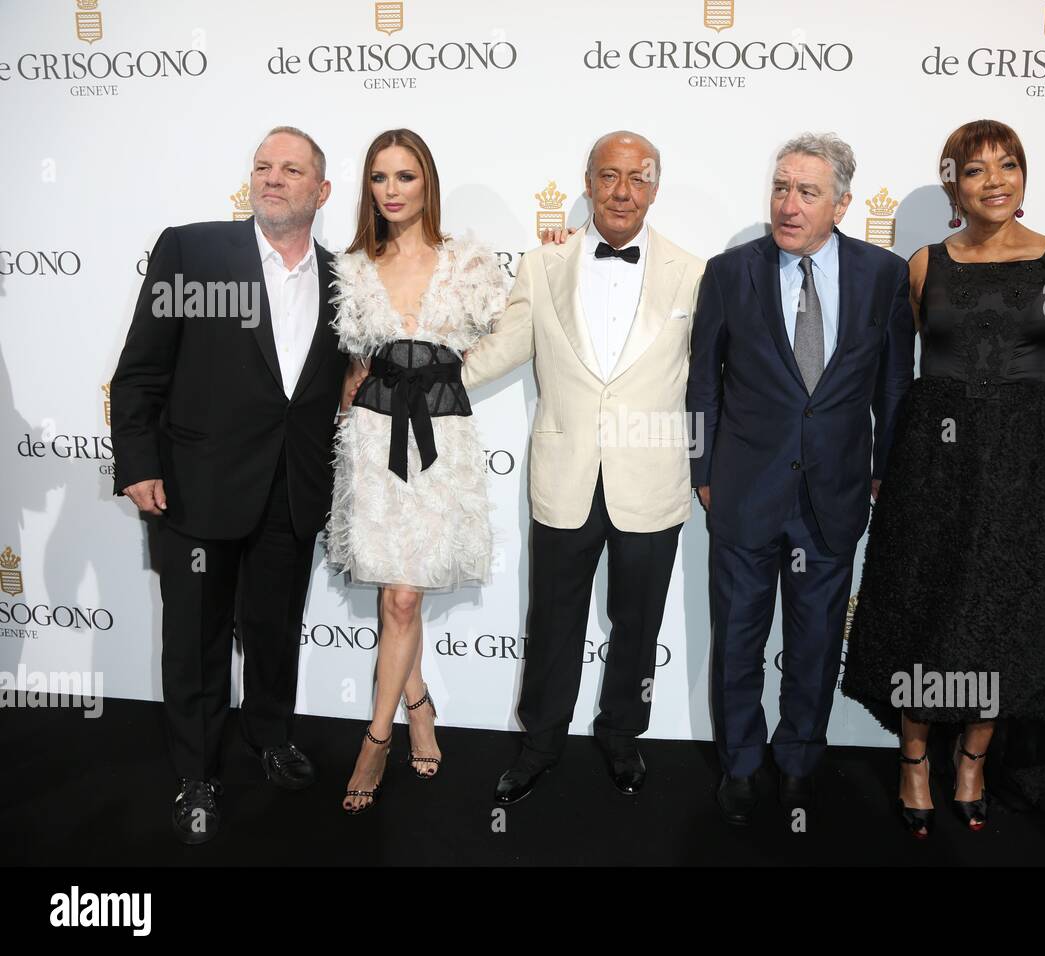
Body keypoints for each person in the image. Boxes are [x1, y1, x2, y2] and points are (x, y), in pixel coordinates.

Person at [841, 119, 1045, 838]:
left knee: (1005, 621)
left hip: (1029, 474)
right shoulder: (925, 265)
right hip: (933, 471)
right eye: (976, 168)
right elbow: (894, 381)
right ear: (954, 183)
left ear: (1024, 177)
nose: (995, 180)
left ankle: (974, 761)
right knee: (925, 612)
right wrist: (881, 468)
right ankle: (915, 759)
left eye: (1008, 165)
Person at [110, 126, 347, 844]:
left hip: (290, 489)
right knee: (198, 641)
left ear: (322, 191)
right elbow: (142, 368)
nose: (273, 178)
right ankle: (198, 776)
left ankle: (270, 736)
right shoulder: (195, 249)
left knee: (274, 631)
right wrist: (139, 462)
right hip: (195, 486)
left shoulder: (344, 281)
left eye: (292, 169)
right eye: (263, 166)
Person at [462, 130, 705, 805]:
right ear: (589, 182)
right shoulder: (543, 267)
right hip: (566, 478)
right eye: (609, 176)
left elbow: (713, 378)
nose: (623, 191)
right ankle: (540, 744)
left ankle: (622, 736)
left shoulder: (695, 271)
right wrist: (419, 377)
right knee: (554, 622)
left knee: (639, 623)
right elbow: (504, 348)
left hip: (652, 482)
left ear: (655, 187)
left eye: (638, 177)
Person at [687, 133, 915, 826]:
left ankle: (798, 763)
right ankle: (742, 763)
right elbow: (702, 386)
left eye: (807, 192)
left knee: (815, 646)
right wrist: (702, 471)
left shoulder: (884, 275)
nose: (788, 205)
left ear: (842, 203)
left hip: (833, 498)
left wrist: (885, 471)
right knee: (738, 642)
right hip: (743, 494)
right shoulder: (730, 273)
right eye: (781, 188)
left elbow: (894, 387)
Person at [326, 128, 507, 813]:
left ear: (427, 181)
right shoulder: (350, 267)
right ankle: (417, 704)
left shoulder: (468, 263)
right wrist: (345, 403)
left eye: (405, 176)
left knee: (403, 595)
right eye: (379, 178)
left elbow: (511, 328)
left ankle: (376, 740)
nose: (392, 190)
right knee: (396, 593)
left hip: (440, 436)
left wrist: (453, 375)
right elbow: (347, 362)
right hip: (372, 439)